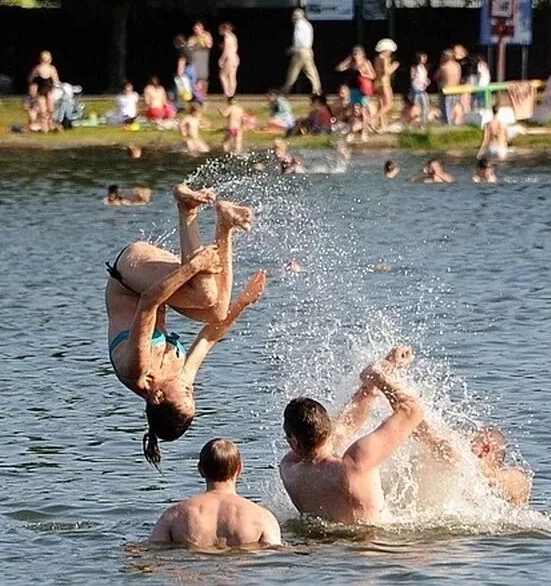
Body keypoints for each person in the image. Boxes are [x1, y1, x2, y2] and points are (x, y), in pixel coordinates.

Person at [105, 183, 264, 466]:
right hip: (150, 285)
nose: (190, 387)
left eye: (187, 393)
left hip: (128, 275)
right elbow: (210, 336)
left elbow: (150, 302)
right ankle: (225, 225)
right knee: (217, 310)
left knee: (205, 294)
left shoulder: (137, 368)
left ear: (158, 396)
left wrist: (193, 266)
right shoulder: (178, 380)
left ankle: (186, 207)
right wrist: (244, 303)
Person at [280, 346, 423, 525]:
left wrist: (377, 378)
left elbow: (343, 427)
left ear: (294, 440)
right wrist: (380, 378)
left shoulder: (289, 469)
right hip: (379, 546)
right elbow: (412, 412)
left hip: (328, 549)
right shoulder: (355, 463)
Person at [149, 438, 282, 549]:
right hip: (243, 574)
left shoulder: (174, 516)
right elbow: (275, 557)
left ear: (200, 470)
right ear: (240, 468)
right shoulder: (262, 518)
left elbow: (151, 551)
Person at [282, 8, 321, 96]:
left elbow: (298, 40)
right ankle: (317, 90)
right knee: (311, 71)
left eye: (295, 15)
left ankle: (286, 89)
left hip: (301, 51)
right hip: (308, 50)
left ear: (299, 16)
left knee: (293, 70)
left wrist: (292, 49)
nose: (293, 17)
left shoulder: (299, 25)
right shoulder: (308, 24)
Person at [28, 50, 60, 133]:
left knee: (44, 110)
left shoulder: (37, 68)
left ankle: (46, 127)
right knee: (49, 110)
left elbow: (30, 79)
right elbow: (56, 81)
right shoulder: (51, 69)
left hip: (42, 91)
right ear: (50, 60)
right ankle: (49, 126)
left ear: (40, 59)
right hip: (49, 91)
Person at [373, 38, 399, 132]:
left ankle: (383, 126)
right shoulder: (384, 59)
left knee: (381, 105)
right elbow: (386, 72)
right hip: (384, 83)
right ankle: (373, 118)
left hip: (377, 83)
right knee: (388, 104)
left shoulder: (376, 58)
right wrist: (394, 67)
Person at [435, 49, 462, 126]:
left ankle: (448, 124)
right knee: (453, 108)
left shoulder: (443, 67)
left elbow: (436, 76)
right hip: (455, 89)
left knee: (446, 109)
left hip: (446, 89)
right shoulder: (457, 66)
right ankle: (452, 123)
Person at [187, 21, 214, 99]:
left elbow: (209, 45)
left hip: (203, 56)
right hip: (195, 57)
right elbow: (189, 47)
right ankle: (197, 95)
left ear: (202, 28)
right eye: (195, 29)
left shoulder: (206, 35)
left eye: (197, 28)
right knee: (195, 76)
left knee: (203, 76)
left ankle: (204, 94)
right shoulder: (192, 38)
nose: (196, 30)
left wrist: (202, 39)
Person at [409, 52, 430, 130]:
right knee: (416, 107)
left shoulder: (423, 67)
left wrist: (426, 80)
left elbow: (424, 77)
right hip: (417, 89)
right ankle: (413, 123)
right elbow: (413, 78)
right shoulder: (414, 67)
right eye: (423, 57)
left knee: (425, 106)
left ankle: (423, 123)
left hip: (423, 89)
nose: (425, 59)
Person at [218, 23, 239, 97]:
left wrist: (221, 59)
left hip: (229, 58)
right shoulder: (233, 36)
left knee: (223, 75)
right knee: (232, 76)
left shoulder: (227, 37)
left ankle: (227, 93)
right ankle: (232, 93)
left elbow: (226, 50)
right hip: (235, 57)